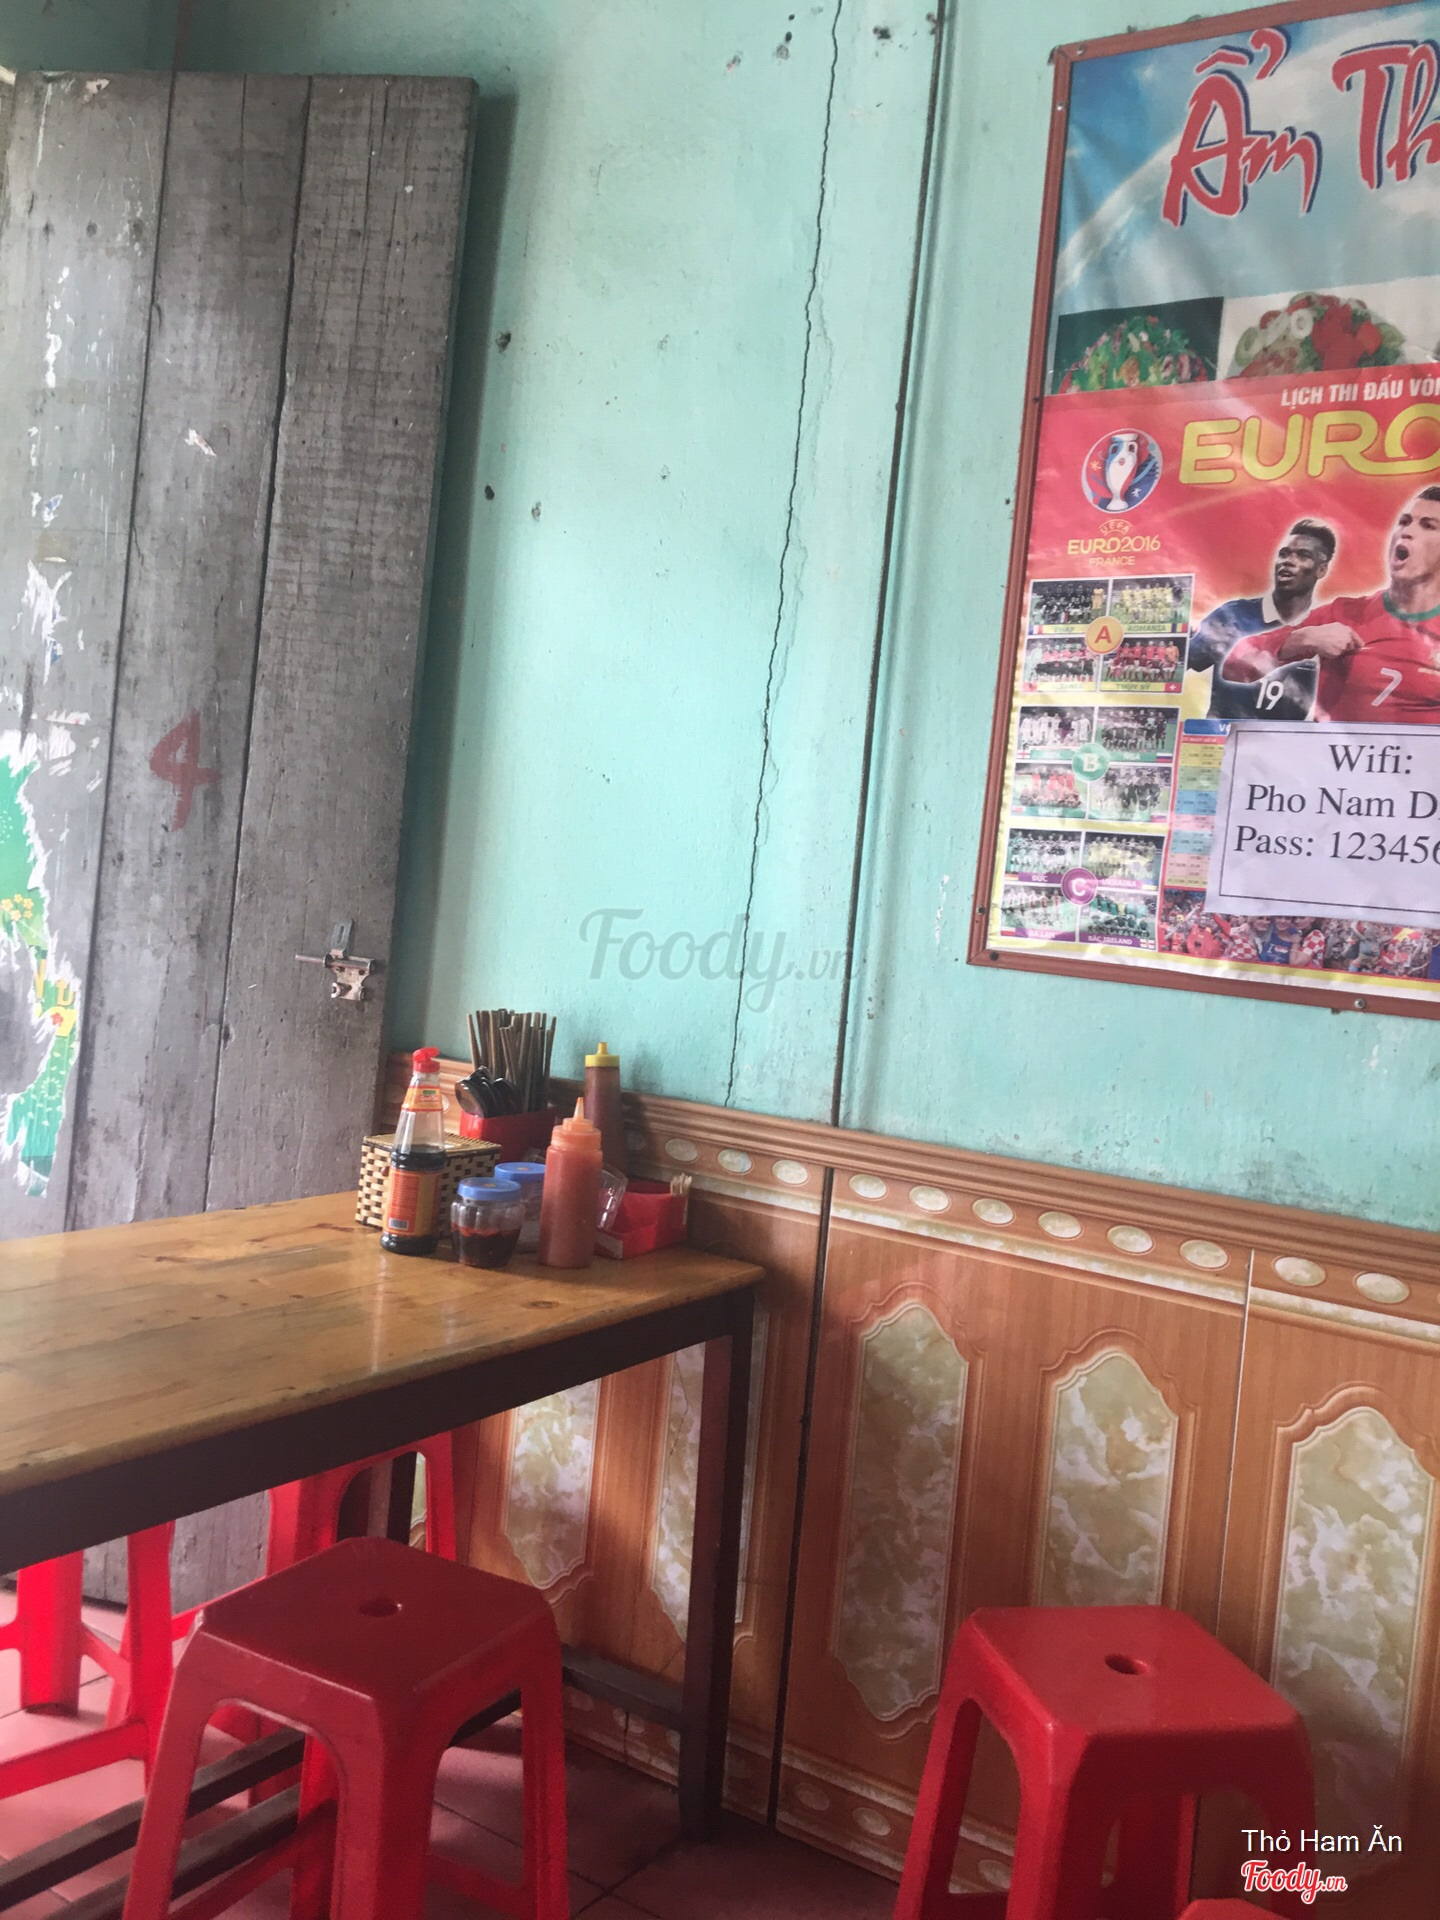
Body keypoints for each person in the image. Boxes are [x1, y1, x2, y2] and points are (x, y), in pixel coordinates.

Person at [1222, 492, 1440, 721]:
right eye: (1404, 521)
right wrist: (1300, 639)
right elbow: (1234, 668)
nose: (1407, 531)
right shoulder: (1344, 614)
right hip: (1333, 745)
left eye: (1428, 526)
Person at [1190, 520, 1335, 719]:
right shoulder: (1232, 616)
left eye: (1303, 555)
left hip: (1286, 738)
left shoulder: (1325, 628)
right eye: (1284, 554)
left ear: (1321, 569)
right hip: (1226, 735)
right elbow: (1181, 663)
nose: (1288, 561)